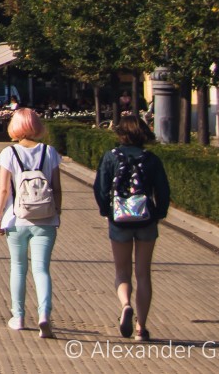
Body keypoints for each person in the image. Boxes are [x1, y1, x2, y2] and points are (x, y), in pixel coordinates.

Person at [94, 114, 171, 341]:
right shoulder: (151, 159)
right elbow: (163, 191)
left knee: (122, 271)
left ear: (121, 133)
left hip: (119, 219)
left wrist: (106, 211)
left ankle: (126, 304)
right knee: (143, 273)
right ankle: (141, 328)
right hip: (146, 218)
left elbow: (100, 187)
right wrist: (159, 214)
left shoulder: (111, 157)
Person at [0, 107, 62, 338]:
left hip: (16, 218)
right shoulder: (50, 152)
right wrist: (56, 214)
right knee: (42, 269)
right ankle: (44, 314)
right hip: (45, 219)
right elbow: (57, 188)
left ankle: (19, 316)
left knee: (18, 268)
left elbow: (3, 189)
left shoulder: (9, 153)